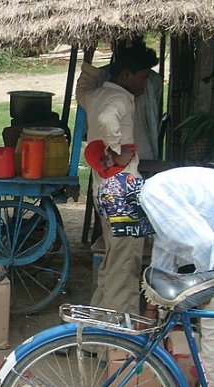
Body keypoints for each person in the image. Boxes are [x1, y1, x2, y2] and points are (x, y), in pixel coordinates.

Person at [76, 42, 159, 315]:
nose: (146, 82)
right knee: (125, 268)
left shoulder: (96, 94)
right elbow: (107, 118)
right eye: (143, 76)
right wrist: (115, 150)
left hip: (104, 190)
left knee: (112, 262)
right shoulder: (120, 99)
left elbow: (81, 91)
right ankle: (118, 344)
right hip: (123, 192)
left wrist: (89, 68)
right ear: (126, 75)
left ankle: (95, 333)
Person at [138, 166, 214, 378]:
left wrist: (150, 315)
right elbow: (204, 246)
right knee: (212, 324)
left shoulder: (158, 189)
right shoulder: (156, 192)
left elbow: (162, 258)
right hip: (210, 254)